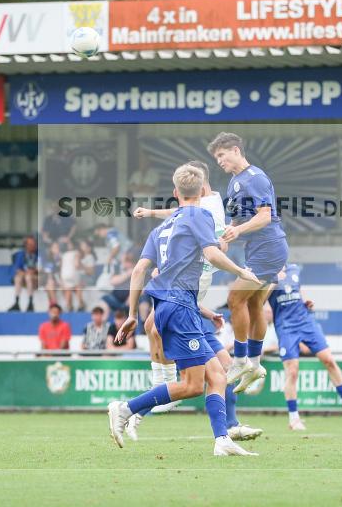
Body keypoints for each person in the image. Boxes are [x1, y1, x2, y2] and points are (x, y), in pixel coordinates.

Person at [107, 163, 260, 456]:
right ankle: (125, 408)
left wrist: (130, 315)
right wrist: (242, 271)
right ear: (202, 191)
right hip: (179, 306)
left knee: (217, 374)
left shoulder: (162, 227)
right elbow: (213, 253)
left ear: (175, 193)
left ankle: (222, 440)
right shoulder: (200, 215)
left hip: (171, 305)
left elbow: (139, 269)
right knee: (191, 385)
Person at [208, 132, 289, 393]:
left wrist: (239, 232)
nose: (219, 160)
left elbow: (265, 216)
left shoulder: (256, 178)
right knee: (254, 303)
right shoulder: (234, 183)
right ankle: (254, 364)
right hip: (258, 249)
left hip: (269, 248)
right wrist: (226, 235)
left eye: (221, 155)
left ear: (235, 150)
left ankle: (240, 360)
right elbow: (238, 218)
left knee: (234, 298)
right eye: (216, 157)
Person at [271, 264, 342, 430]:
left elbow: (298, 289)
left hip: (306, 321)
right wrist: (273, 279)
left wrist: (305, 301)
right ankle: (294, 419)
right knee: (292, 371)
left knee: (328, 359)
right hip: (286, 327)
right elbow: (260, 302)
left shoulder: (294, 269)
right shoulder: (265, 274)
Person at [10, 236, 39, 312]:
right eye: (30, 244)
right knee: (17, 278)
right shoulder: (21, 254)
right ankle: (16, 302)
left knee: (28, 277)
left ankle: (30, 303)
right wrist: (26, 273)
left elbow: (42, 268)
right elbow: (17, 269)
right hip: (26, 277)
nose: (33, 246)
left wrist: (34, 271)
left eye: (34, 244)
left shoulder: (39, 254)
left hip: (37, 279)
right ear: (26, 246)